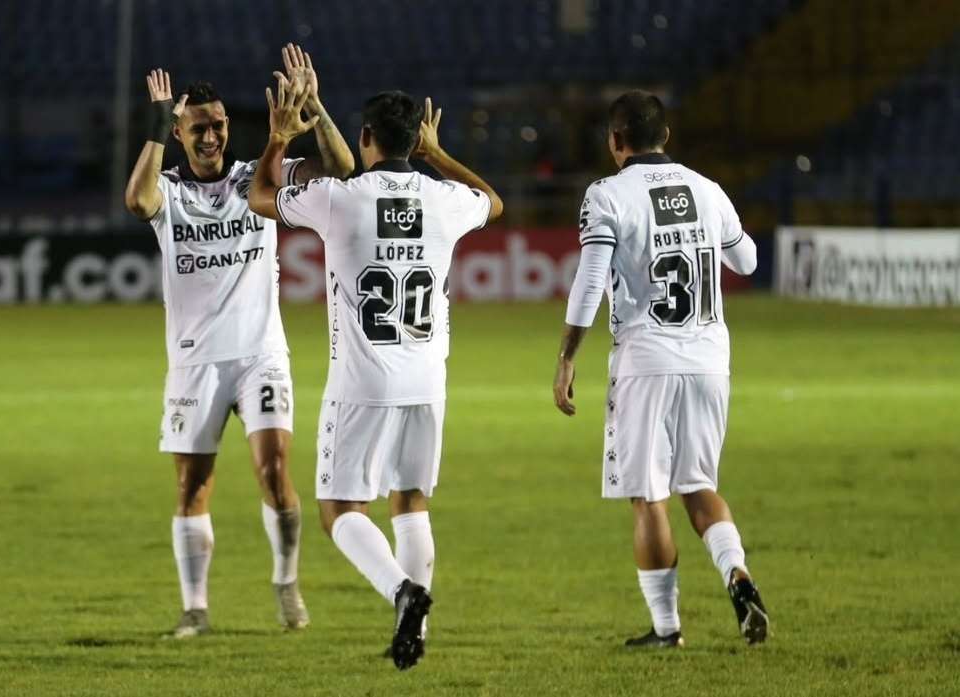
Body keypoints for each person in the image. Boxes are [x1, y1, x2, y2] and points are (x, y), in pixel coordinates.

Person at [248, 86, 503, 669]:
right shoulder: (444, 202)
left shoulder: (340, 199)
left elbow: (261, 195)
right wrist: (438, 156)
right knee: (410, 503)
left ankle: (402, 593)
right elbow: (493, 201)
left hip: (362, 383)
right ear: (416, 139)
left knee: (340, 510)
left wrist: (280, 136)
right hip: (426, 382)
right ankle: (416, 633)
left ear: (364, 138)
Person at [123, 45, 355, 638]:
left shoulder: (255, 179)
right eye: (198, 127)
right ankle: (196, 607)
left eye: (219, 125)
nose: (211, 136)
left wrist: (317, 106)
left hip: (260, 356)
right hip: (194, 363)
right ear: (179, 133)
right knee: (192, 485)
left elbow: (341, 169)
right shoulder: (169, 192)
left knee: (276, 471)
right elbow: (137, 200)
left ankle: (286, 583)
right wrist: (154, 123)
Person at [552, 90, 769, 648]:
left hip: (645, 359)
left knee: (648, 496)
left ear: (615, 141)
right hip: (709, 358)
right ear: (665, 137)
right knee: (699, 485)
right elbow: (746, 260)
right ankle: (737, 576)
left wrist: (567, 356)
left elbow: (590, 281)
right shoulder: (708, 188)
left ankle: (667, 628)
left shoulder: (607, 194)